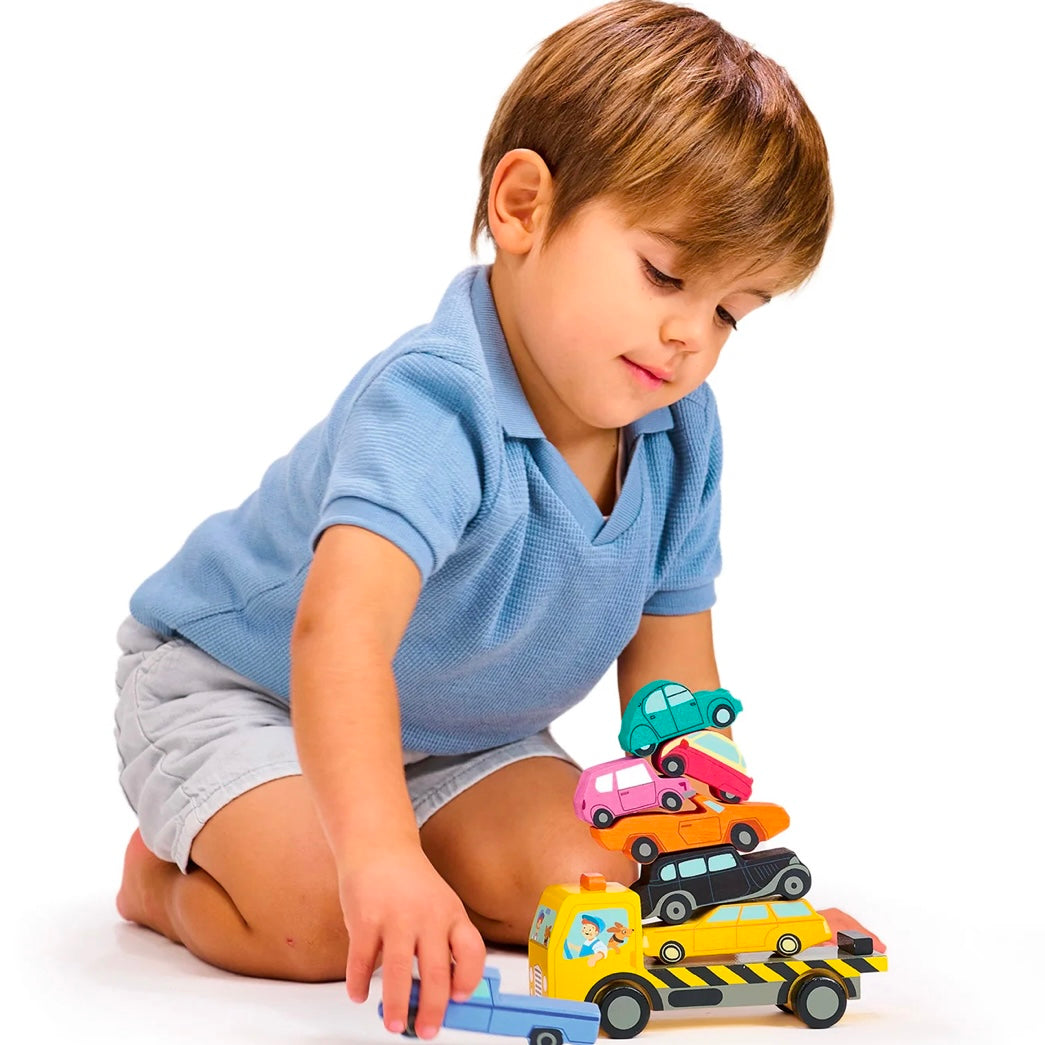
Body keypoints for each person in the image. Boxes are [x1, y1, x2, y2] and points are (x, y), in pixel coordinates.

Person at [112, 0, 831, 1038]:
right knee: (320, 915)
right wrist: (378, 858)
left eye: (729, 311)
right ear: (523, 206)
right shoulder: (435, 403)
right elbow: (337, 637)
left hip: (458, 732)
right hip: (248, 690)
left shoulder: (681, 434)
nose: (689, 336)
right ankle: (161, 881)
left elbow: (673, 683)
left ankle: (410, 840)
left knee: (599, 889)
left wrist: (724, 872)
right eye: (665, 274)